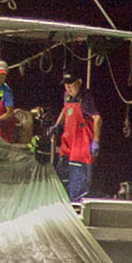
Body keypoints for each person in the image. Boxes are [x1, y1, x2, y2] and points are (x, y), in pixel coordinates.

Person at [51, 72, 102, 202]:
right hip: (68, 144)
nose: (68, 88)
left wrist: (95, 141)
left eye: (71, 85)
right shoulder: (67, 96)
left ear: (79, 83)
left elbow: (97, 118)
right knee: (62, 181)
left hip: (82, 146)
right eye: (66, 85)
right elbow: (65, 109)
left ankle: (75, 208)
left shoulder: (86, 98)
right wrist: (57, 125)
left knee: (78, 185)